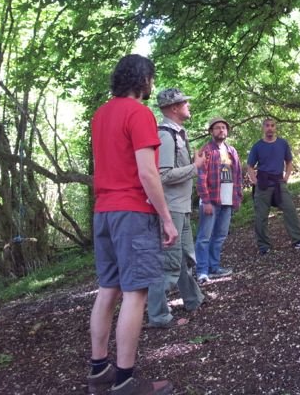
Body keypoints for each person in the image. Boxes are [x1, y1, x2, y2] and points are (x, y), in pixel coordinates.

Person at [88, 55, 177, 395]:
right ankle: (125, 380)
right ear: (144, 79)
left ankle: (99, 370)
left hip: (104, 212)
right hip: (132, 211)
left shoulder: (101, 114)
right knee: (136, 292)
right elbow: (147, 171)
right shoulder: (138, 113)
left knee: (108, 289)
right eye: (151, 79)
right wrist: (166, 217)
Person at [146, 89, 205, 329]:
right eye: (184, 103)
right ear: (173, 108)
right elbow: (163, 175)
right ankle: (158, 316)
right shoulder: (166, 136)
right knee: (170, 264)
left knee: (184, 258)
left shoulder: (178, 133)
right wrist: (196, 167)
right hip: (171, 209)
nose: (188, 105)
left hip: (181, 207)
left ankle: (194, 299)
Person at [246, 118, 300, 254]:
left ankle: (298, 240)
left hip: (278, 183)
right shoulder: (257, 146)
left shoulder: (282, 144)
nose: (270, 128)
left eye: (272, 125)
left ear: (275, 128)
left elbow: (289, 161)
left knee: (290, 210)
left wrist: (286, 177)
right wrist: (255, 181)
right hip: (263, 184)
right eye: (267, 126)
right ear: (263, 128)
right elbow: (250, 166)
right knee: (261, 216)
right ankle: (264, 246)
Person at [195, 117, 243, 283]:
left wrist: (238, 197)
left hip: (228, 200)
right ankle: (201, 270)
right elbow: (201, 178)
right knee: (204, 237)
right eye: (217, 128)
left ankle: (214, 267)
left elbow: (238, 175)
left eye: (223, 127)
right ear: (211, 131)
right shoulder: (206, 151)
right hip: (211, 200)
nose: (221, 130)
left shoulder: (232, 151)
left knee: (220, 236)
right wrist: (206, 201)